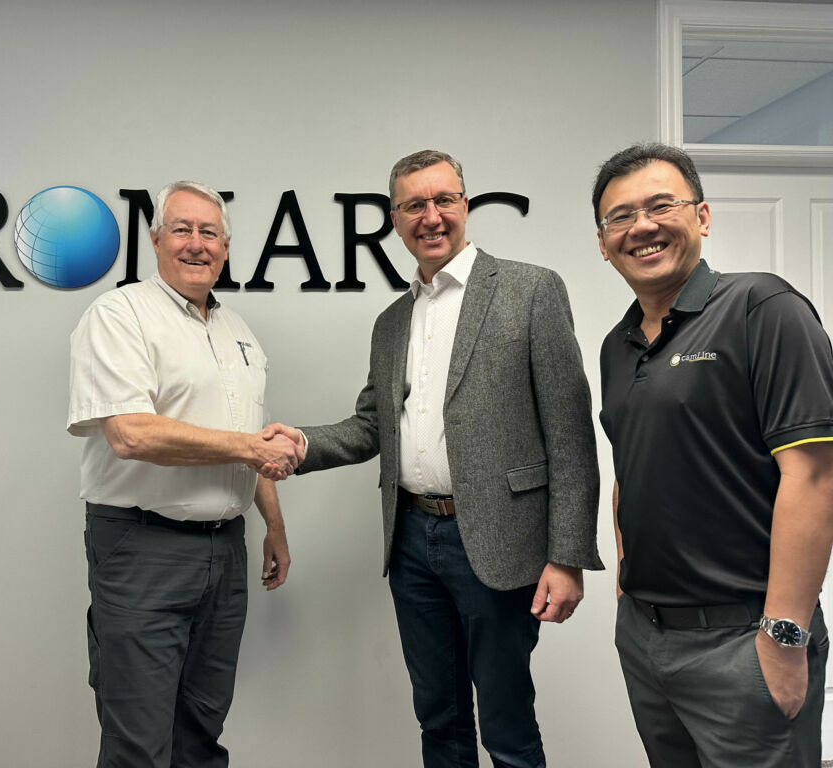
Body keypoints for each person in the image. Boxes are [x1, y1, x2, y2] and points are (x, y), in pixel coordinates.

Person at [264, 150, 602, 768]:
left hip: (499, 541)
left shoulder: (530, 289)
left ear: (465, 205)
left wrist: (568, 555)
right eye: (415, 205)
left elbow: (571, 434)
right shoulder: (392, 321)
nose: (432, 216)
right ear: (395, 220)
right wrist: (302, 443)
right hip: (412, 541)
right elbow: (372, 426)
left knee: (506, 720)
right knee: (438, 717)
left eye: (444, 199)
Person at [594, 143, 833, 767]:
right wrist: (626, 589)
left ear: (702, 216)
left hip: (743, 639)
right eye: (620, 216)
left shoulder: (762, 308)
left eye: (660, 206)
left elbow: (814, 476)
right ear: (603, 243)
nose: (641, 226)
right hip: (647, 637)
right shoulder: (617, 346)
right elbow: (630, 471)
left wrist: (784, 634)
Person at [67, 180, 302, 768]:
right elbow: (131, 434)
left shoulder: (237, 330)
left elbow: (250, 437)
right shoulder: (120, 315)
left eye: (209, 233)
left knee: (200, 732)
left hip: (225, 551)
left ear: (226, 247)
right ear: (155, 241)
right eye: (182, 229)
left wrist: (273, 526)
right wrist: (250, 447)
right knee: (139, 744)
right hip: (142, 548)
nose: (196, 243)